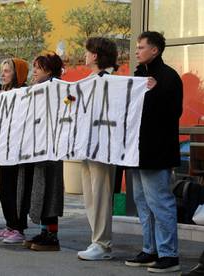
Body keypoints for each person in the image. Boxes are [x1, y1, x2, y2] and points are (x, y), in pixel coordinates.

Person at [124, 31, 183, 273]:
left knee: (160, 202)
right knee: (143, 202)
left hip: (157, 152)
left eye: (141, 47)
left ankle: (169, 255)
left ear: (154, 50)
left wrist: (155, 92)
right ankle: (150, 249)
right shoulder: (139, 75)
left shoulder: (168, 77)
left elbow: (172, 114)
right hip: (137, 151)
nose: (136, 51)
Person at [77, 37, 119, 260]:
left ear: (95, 55)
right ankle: (97, 239)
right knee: (91, 195)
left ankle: (102, 243)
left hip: (102, 146)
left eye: (87, 52)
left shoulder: (110, 81)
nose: (84, 55)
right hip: (88, 144)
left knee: (100, 194)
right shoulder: (90, 80)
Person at [19, 53, 64, 251]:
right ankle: (44, 230)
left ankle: (52, 235)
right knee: (38, 191)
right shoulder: (34, 90)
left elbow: (69, 105)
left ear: (50, 70)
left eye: (39, 67)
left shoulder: (59, 89)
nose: (34, 71)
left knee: (50, 191)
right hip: (36, 149)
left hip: (51, 151)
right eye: (34, 67)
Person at [0, 58, 29, 244]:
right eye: (2, 70)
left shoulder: (24, 93)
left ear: (17, 73)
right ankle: (10, 225)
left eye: (7, 71)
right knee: (4, 189)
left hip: (18, 151)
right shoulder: (1, 93)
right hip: (4, 150)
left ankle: (18, 227)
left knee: (16, 190)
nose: (3, 74)